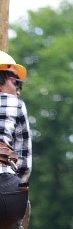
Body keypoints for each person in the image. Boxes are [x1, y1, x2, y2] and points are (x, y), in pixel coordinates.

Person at [0, 51, 31, 229]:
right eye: (16, 82)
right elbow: (24, 161)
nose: (17, 90)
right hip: (6, 191)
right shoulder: (16, 104)